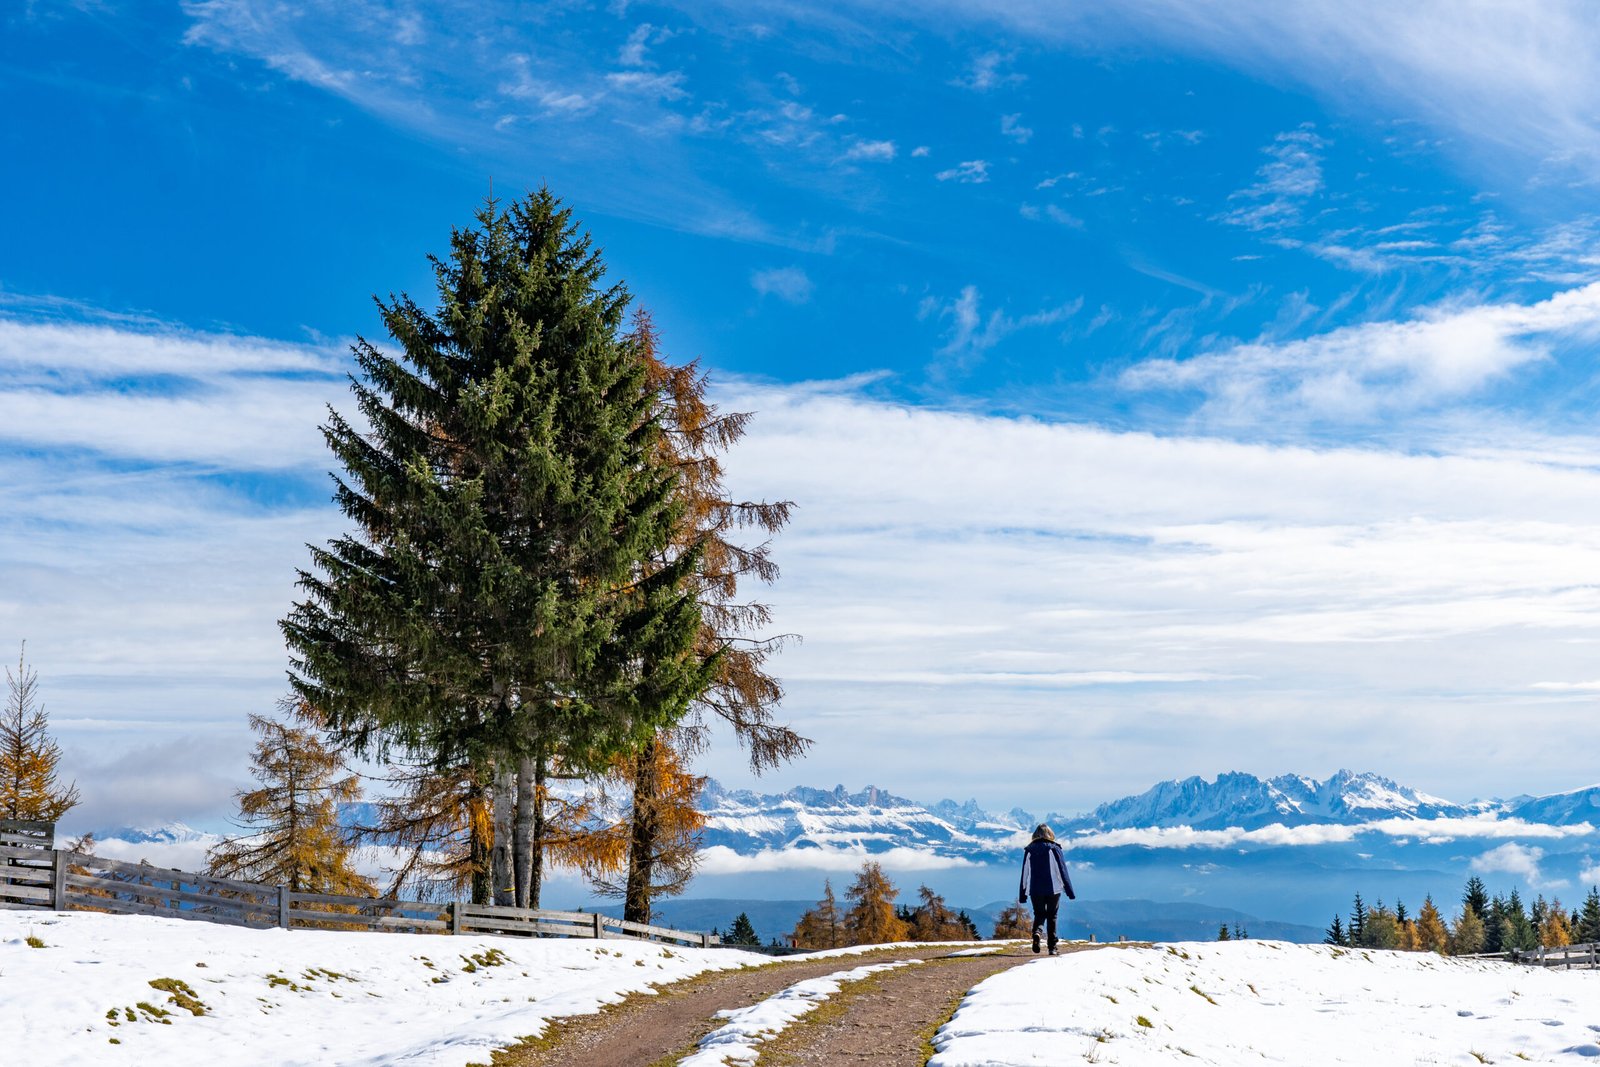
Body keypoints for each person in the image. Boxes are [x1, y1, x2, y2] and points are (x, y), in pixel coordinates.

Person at [1018, 823, 1075, 955]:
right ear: (1050, 834)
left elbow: (1025, 873)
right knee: (1052, 916)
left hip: (1035, 890)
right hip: (1053, 889)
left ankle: (1037, 933)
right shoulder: (1054, 848)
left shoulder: (1029, 850)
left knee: (1039, 914)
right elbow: (1061, 871)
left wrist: (1023, 893)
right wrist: (1069, 890)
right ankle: (1052, 947)